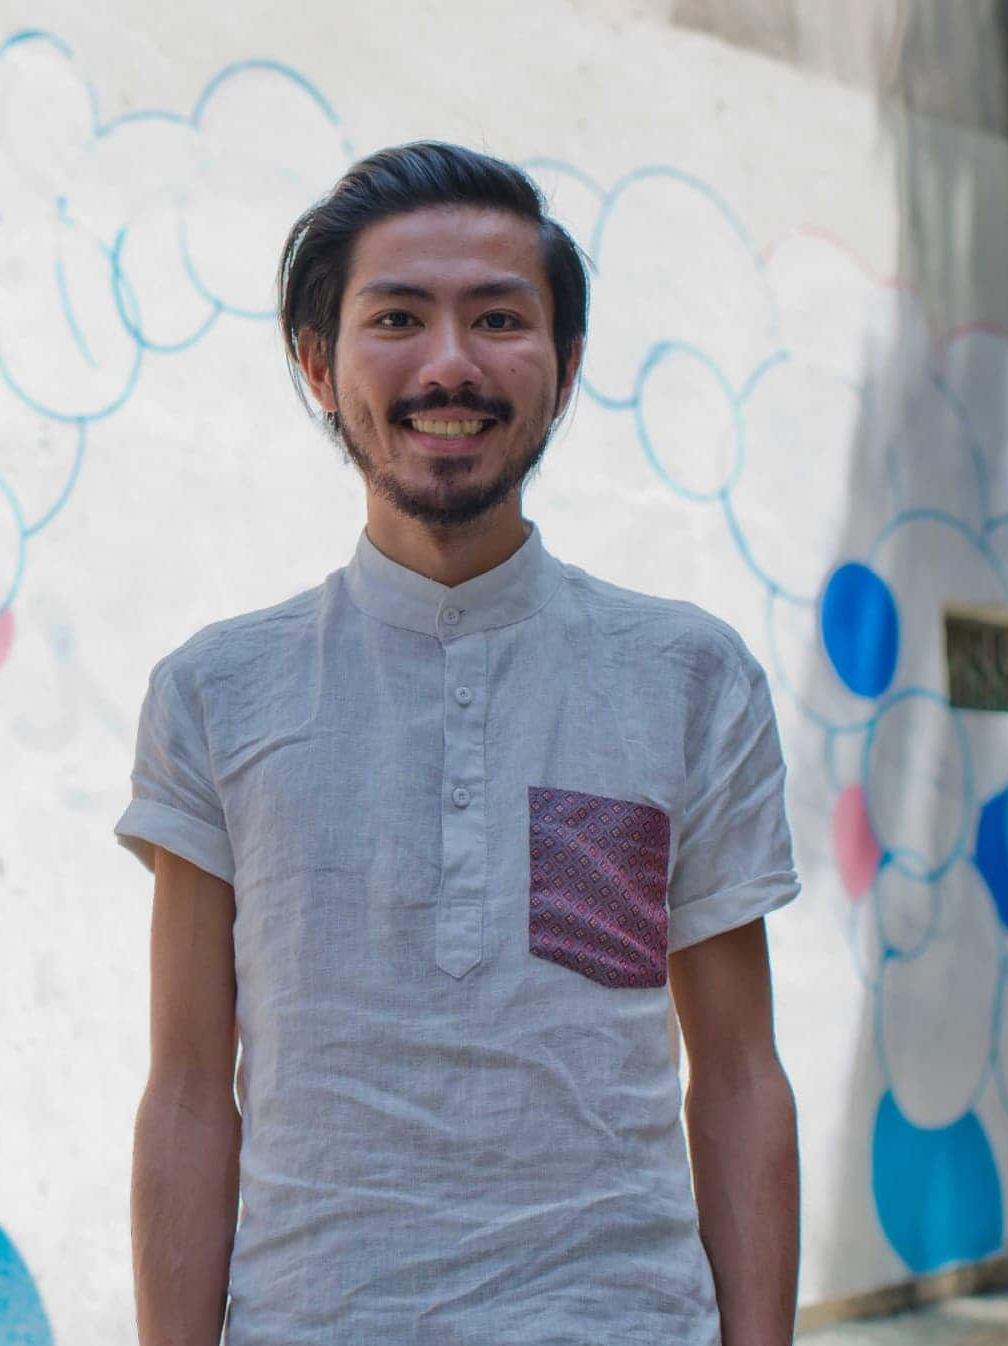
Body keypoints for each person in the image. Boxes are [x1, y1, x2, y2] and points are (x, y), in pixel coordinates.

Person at [118, 141, 801, 1345]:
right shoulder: (216, 692)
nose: (449, 364)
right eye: (397, 317)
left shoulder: (686, 679)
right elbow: (186, 1091)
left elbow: (739, 1076)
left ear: (565, 364)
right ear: (319, 364)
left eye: (498, 318)